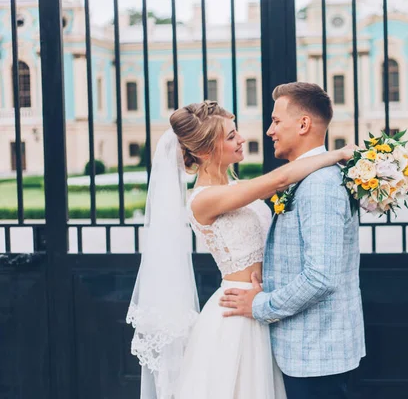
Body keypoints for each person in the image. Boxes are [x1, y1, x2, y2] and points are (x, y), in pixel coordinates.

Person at [126, 99, 355, 399]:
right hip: (236, 315)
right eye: (231, 136)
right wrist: (337, 154)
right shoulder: (202, 200)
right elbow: (282, 178)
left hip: (263, 306)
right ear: (206, 151)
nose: (242, 139)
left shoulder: (237, 187)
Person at [220, 82, 366, 399]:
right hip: (306, 352)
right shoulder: (309, 176)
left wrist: (260, 304)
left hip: (316, 356)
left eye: (276, 121)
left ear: (303, 124)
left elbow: (320, 276)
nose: (270, 130)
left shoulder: (320, 184)